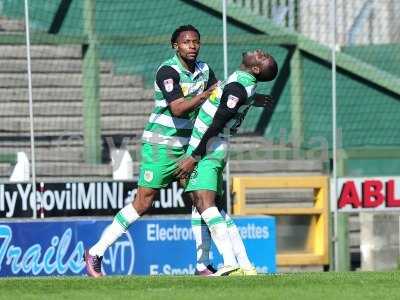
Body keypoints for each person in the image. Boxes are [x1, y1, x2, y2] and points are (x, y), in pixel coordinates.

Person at [84, 24, 218, 277]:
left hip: (189, 147)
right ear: (175, 46)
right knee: (143, 202)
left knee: (201, 200)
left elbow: (220, 98)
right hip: (160, 146)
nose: (192, 46)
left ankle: (202, 264)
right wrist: (206, 96)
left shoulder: (205, 70)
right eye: (186, 42)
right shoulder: (167, 71)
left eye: (196, 42)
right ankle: (96, 252)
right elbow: (178, 108)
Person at [176, 49, 278, 276]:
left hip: (208, 146)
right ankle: (245, 264)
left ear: (255, 69)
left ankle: (229, 262)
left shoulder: (238, 87)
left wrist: (195, 155)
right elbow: (236, 100)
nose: (260, 52)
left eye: (262, 58)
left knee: (204, 204)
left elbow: (218, 121)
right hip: (215, 146)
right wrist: (253, 99)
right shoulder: (243, 83)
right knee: (212, 209)